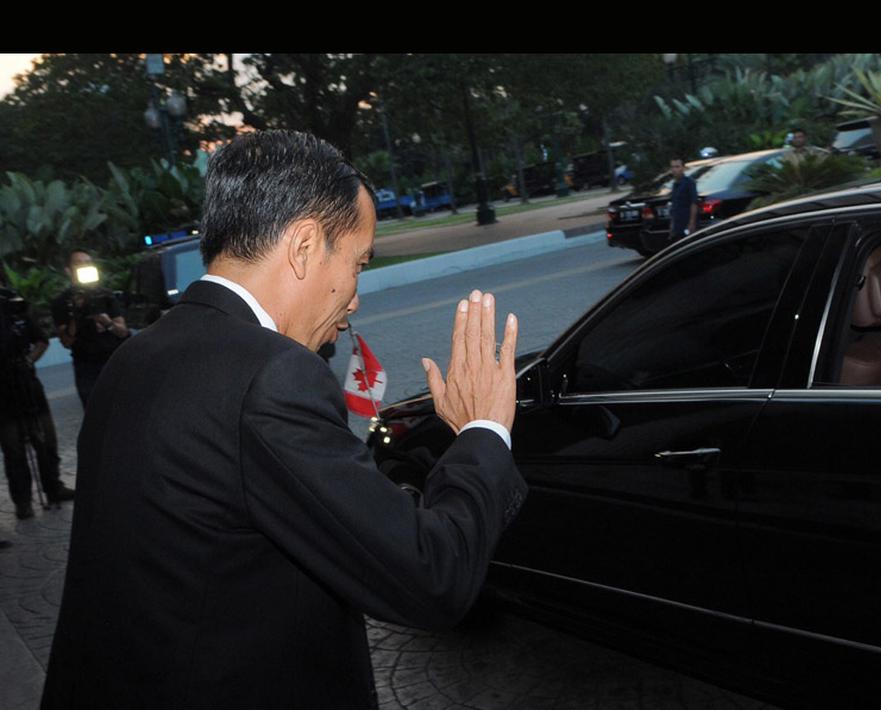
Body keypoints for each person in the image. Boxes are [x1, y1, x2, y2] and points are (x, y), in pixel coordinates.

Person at [42, 130, 527, 710]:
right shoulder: (271, 377)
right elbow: (431, 577)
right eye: (358, 263)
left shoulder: (137, 355)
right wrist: (484, 431)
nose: (354, 299)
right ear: (303, 245)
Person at [0, 288, 74, 520]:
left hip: (27, 384)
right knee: (13, 449)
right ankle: (22, 501)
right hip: (2, 393)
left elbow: (41, 340)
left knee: (45, 439)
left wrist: (28, 361)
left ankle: (53, 487)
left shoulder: (12, 302)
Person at [50, 250, 130, 406]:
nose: (84, 267)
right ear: (68, 270)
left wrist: (106, 322)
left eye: (87, 263)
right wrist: (75, 313)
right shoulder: (61, 302)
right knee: (95, 412)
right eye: (78, 264)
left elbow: (123, 331)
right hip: (86, 365)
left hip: (114, 358)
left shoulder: (105, 295)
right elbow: (66, 341)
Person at [667, 156, 699, 241]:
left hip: (686, 221)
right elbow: (674, 206)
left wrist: (691, 223)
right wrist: (672, 225)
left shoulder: (689, 183)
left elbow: (693, 203)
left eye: (677, 167)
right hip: (677, 224)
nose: (674, 170)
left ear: (683, 168)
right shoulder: (674, 185)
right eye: (672, 167)